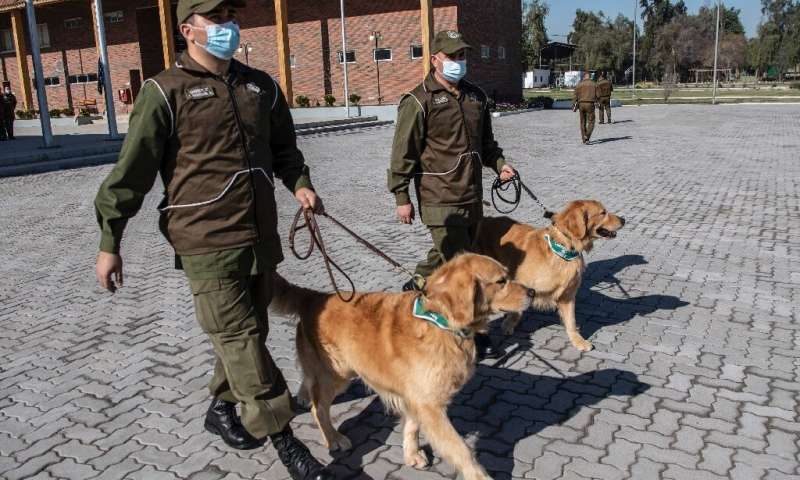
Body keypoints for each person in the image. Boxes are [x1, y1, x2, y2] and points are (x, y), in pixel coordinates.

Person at [93, 1, 333, 479]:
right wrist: (110, 239)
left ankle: (221, 410)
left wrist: (300, 183)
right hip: (204, 240)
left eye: (230, 16)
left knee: (251, 332)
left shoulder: (259, 85)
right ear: (189, 30)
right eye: (216, 18)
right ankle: (286, 444)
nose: (228, 26)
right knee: (243, 341)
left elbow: (284, 148)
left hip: (259, 238)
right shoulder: (164, 92)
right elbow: (132, 172)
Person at [388, 30, 516, 360]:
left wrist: (500, 165)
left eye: (462, 56)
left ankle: (420, 283)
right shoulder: (418, 100)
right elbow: (403, 153)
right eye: (452, 56)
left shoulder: (475, 97)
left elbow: (486, 144)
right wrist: (402, 197)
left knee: (457, 254)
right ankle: (474, 332)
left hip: (471, 196)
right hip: (438, 198)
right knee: (465, 271)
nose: (459, 62)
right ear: (435, 60)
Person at [572, 72, 598, 144]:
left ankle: (584, 138)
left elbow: (575, 96)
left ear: (584, 77)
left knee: (582, 122)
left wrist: (574, 105)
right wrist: (597, 103)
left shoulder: (579, 84)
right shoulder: (594, 84)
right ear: (590, 77)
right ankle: (587, 136)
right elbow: (598, 95)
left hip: (581, 104)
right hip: (590, 104)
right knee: (591, 121)